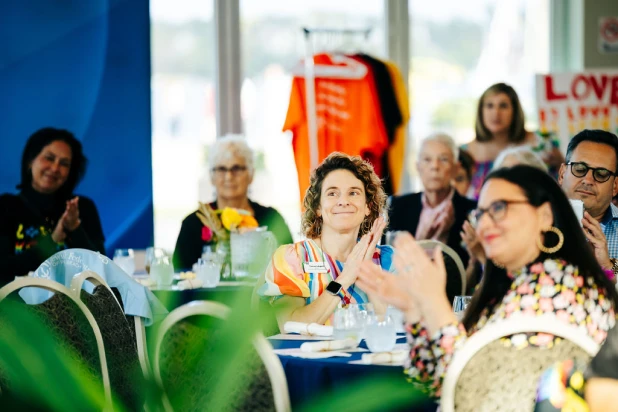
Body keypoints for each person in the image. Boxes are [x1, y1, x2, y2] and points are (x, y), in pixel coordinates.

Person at [358, 165, 618, 397]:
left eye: (499, 208)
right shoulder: (517, 282)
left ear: (544, 216)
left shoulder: (560, 286)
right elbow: (435, 381)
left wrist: (435, 303)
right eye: (480, 213)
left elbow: (473, 387)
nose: (485, 224)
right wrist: (413, 308)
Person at [258, 152, 392, 329]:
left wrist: (369, 276)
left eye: (353, 193)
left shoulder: (387, 260)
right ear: (318, 208)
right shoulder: (293, 259)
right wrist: (345, 278)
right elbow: (290, 326)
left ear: (368, 206)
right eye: (332, 193)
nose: (343, 201)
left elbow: (396, 328)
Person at [0, 128, 105, 282]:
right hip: (17, 297)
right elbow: (3, 269)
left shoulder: (82, 207)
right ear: (30, 161)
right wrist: (53, 240)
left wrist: (75, 228)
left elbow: (101, 272)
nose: (55, 168)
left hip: (74, 297)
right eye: (49, 158)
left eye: (64, 163)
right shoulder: (6, 207)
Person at [173, 136, 293, 270]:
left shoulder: (272, 219)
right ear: (211, 176)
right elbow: (179, 274)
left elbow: (292, 269)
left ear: (251, 174)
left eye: (237, 168)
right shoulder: (192, 224)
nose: (229, 176)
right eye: (221, 169)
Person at [462, 83, 563, 199]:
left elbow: (561, 186)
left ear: (515, 111)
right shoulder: (464, 152)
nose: (496, 113)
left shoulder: (542, 143)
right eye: (489, 106)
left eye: (503, 106)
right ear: (481, 111)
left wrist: (561, 163)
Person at [389, 133, 476, 266]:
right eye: (427, 159)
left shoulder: (472, 211)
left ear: (456, 168)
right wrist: (422, 240)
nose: (435, 166)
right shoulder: (397, 206)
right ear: (418, 167)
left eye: (443, 159)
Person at [558, 129, 618, 279]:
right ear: (562, 174)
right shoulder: (536, 223)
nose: (588, 180)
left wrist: (609, 268)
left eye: (601, 174)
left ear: (615, 186)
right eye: (579, 169)